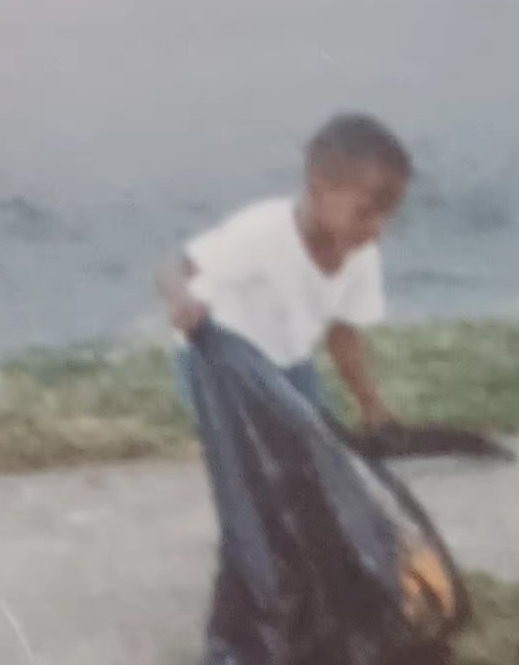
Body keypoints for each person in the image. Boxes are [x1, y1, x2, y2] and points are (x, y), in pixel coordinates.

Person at [156, 114, 412, 433]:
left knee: (318, 448)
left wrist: (370, 405)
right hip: (217, 361)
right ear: (317, 190)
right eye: (363, 214)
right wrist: (182, 301)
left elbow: (342, 336)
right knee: (254, 453)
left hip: (288, 360)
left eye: (386, 216)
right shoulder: (262, 231)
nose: (376, 229)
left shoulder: (360, 254)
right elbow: (172, 267)